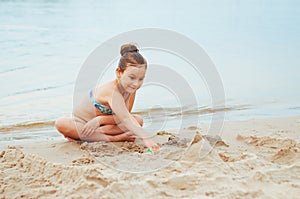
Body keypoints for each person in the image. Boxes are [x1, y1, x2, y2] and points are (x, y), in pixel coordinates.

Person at [55, 44, 159, 154]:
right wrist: (147, 139)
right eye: (131, 77)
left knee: (138, 120)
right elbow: (125, 119)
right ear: (119, 72)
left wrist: (100, 120)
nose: (135, 84)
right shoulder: (112, 91)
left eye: (140, 79)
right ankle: (115, 138)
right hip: (83, 122)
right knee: (61, 123)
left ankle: (90, 136)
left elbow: (125, 115)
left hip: (104, 126)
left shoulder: (131, 89)